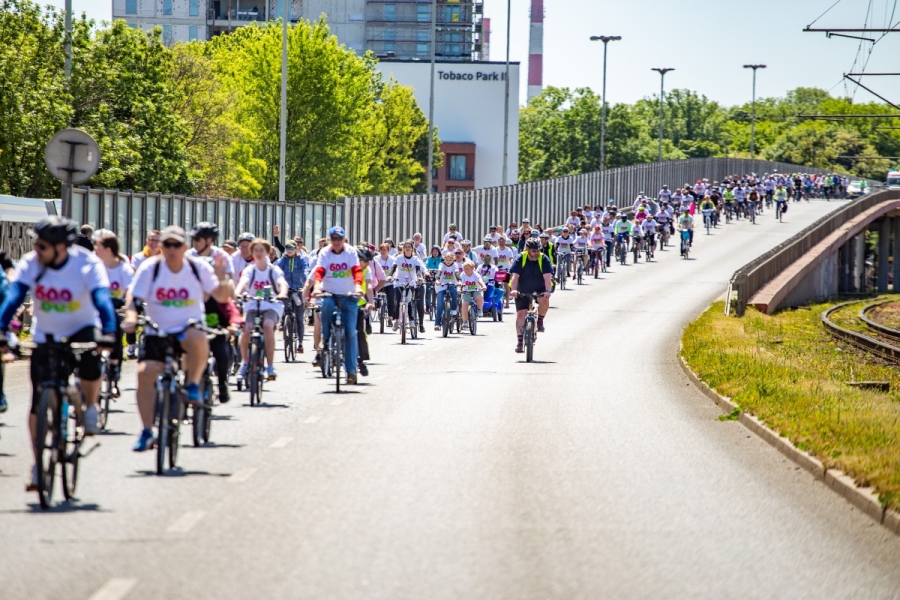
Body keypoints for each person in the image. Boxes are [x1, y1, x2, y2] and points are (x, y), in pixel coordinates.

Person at [0, 217, 118, 488]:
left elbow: (102, 298)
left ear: (61, 247)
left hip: (81, 326)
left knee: (90, 363)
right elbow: (15, 296)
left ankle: (90, 406)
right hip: (47, 332)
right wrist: (1, 329)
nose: (36, 249)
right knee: (37, 399)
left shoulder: (86, 263)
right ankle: (37, 464)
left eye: (42, 245)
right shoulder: (32, 262)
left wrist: (110, 331)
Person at [123, 225, 231, 452]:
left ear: (184, 247)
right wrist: (131, 317)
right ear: (161, 246)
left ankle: (192, 383)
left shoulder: (197, 267)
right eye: (167, 244)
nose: (172, 249)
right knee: (145, 374)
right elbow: (134, 297)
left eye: (176, 245)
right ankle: (147, 431)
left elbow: (221, 297)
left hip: (187, 327)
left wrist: (222, 278)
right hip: (157, 330)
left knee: (198, 336)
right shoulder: (151, 268)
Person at [312, 226, 363, 385]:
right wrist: (317, 287)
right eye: (333, 238)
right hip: (330, 293)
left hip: (349, 295)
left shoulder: (350, 252)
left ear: (344, 239)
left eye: (339, 238)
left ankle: (351, 371)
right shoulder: (325, 253)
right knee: (326, 305)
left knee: (351, 333)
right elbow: (319, 271)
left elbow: (357, 271)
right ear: (329, 240)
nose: (336, 242)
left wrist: (358, 287)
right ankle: (326, 338)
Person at [235, 239, 288, 381]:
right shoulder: (250, 270)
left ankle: (270, 366)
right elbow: (243, 282)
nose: (258, 253)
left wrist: (282, 293)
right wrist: (237, 293)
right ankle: (245, 362)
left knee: (268, 326)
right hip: (253, 304)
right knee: (247, 328)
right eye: (255, 250)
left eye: (261, 250)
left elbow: (281, 283)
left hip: (271, 305)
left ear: (267, 252)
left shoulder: (273, 270)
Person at [93, 230, 134, 383]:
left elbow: (130, 289)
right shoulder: (93, 265)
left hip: (115, 303)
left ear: (108, 249)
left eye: (98, 247)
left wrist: (128, 306)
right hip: (96, 304)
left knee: (115, 328)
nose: (95, 250)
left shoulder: (122, 267)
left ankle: (115, 364)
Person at [509, 239, 553, 352]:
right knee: (521, 314)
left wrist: (548, 291)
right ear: (527, 250)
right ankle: (520, 342)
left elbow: (547, 277)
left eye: (538, 250)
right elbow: (515, 276)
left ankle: (540, 320)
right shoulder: (521, 258)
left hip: (540, 289)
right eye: (534, 251)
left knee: (544, 300)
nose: (536, 253)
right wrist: (513, 290)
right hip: (522, 289)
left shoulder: (543, 258)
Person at [275, 239, 310, 354]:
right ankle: (285, 325)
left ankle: (300, 343)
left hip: (298, 289)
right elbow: (277, 271)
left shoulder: (301, 260)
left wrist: (305, 284)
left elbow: (305, 271)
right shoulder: (282, 260)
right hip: (286, 290)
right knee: (285, 311)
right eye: (287, 248)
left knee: (299, 317)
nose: (289, 250)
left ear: (296, 249)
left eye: (291, 248)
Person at [389, 240, 426, 333]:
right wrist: (390, 276)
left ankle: (411, 320)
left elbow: (418, 269)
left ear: (412, 248)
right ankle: (396, 321)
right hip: (399, 282)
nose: (407, 248)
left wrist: (419, 277)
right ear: (403, 249)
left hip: (411, 282)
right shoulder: (399, 258)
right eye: (405, 247)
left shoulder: (415, 259)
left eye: (409, 247)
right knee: (397, 301)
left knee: (408, 301)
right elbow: (393, 267)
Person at [355, 247, 376, 376]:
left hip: (359, 301)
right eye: (366, 261)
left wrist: (371, 302)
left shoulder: (366, 269)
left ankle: (360, 360)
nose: (368, 263)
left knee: (359, 331)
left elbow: (368, 285)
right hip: (344, 299)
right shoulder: (348, 267)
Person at [434, 251, 460, 332]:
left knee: (454, 292)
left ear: (453, 260)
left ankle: (453, 309)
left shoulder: (455, 265)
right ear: (444, 259)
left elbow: (457, 273)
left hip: (452, 283)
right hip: (441, 284)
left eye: (450, 260)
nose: (448, 261)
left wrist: (459, 280)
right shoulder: (441, 265)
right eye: (447, 260)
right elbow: (439, 272)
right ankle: (437, 324)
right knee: (440, 304)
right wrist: (437, 280)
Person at [459, 260, 486, 329]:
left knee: (479, 298)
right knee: (464, 305)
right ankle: (465, 321)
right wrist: (459, 289)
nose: (465, 270)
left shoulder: (475, 274)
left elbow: (480, 281)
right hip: (466, 291)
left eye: (467, 269)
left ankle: (479, 309)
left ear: (472, 269)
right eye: (464, 269)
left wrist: (483, 286)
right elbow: (460, 282)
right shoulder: (462, 274)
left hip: (476, 290)